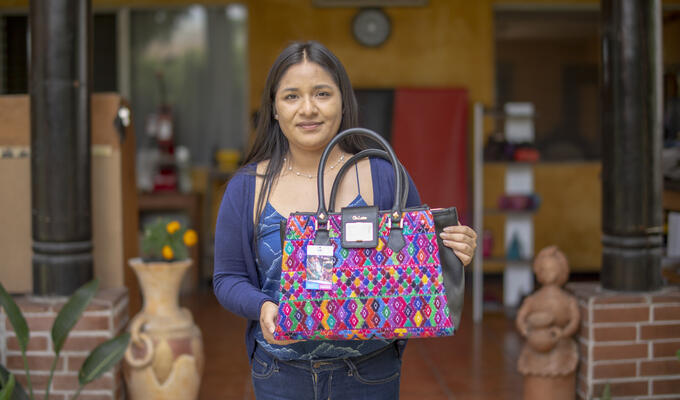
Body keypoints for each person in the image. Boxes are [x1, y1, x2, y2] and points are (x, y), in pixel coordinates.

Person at [213, 40, 477, 400]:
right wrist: (262, 306)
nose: (308, 108)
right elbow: (228, 278)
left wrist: (455, 251)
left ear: (342, 101)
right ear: (274, 108)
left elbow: (422, 261)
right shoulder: (247, 188)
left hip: (370, 372)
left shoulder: (384, 175)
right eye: (291, 96)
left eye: (322, 93)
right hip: (280, 375)